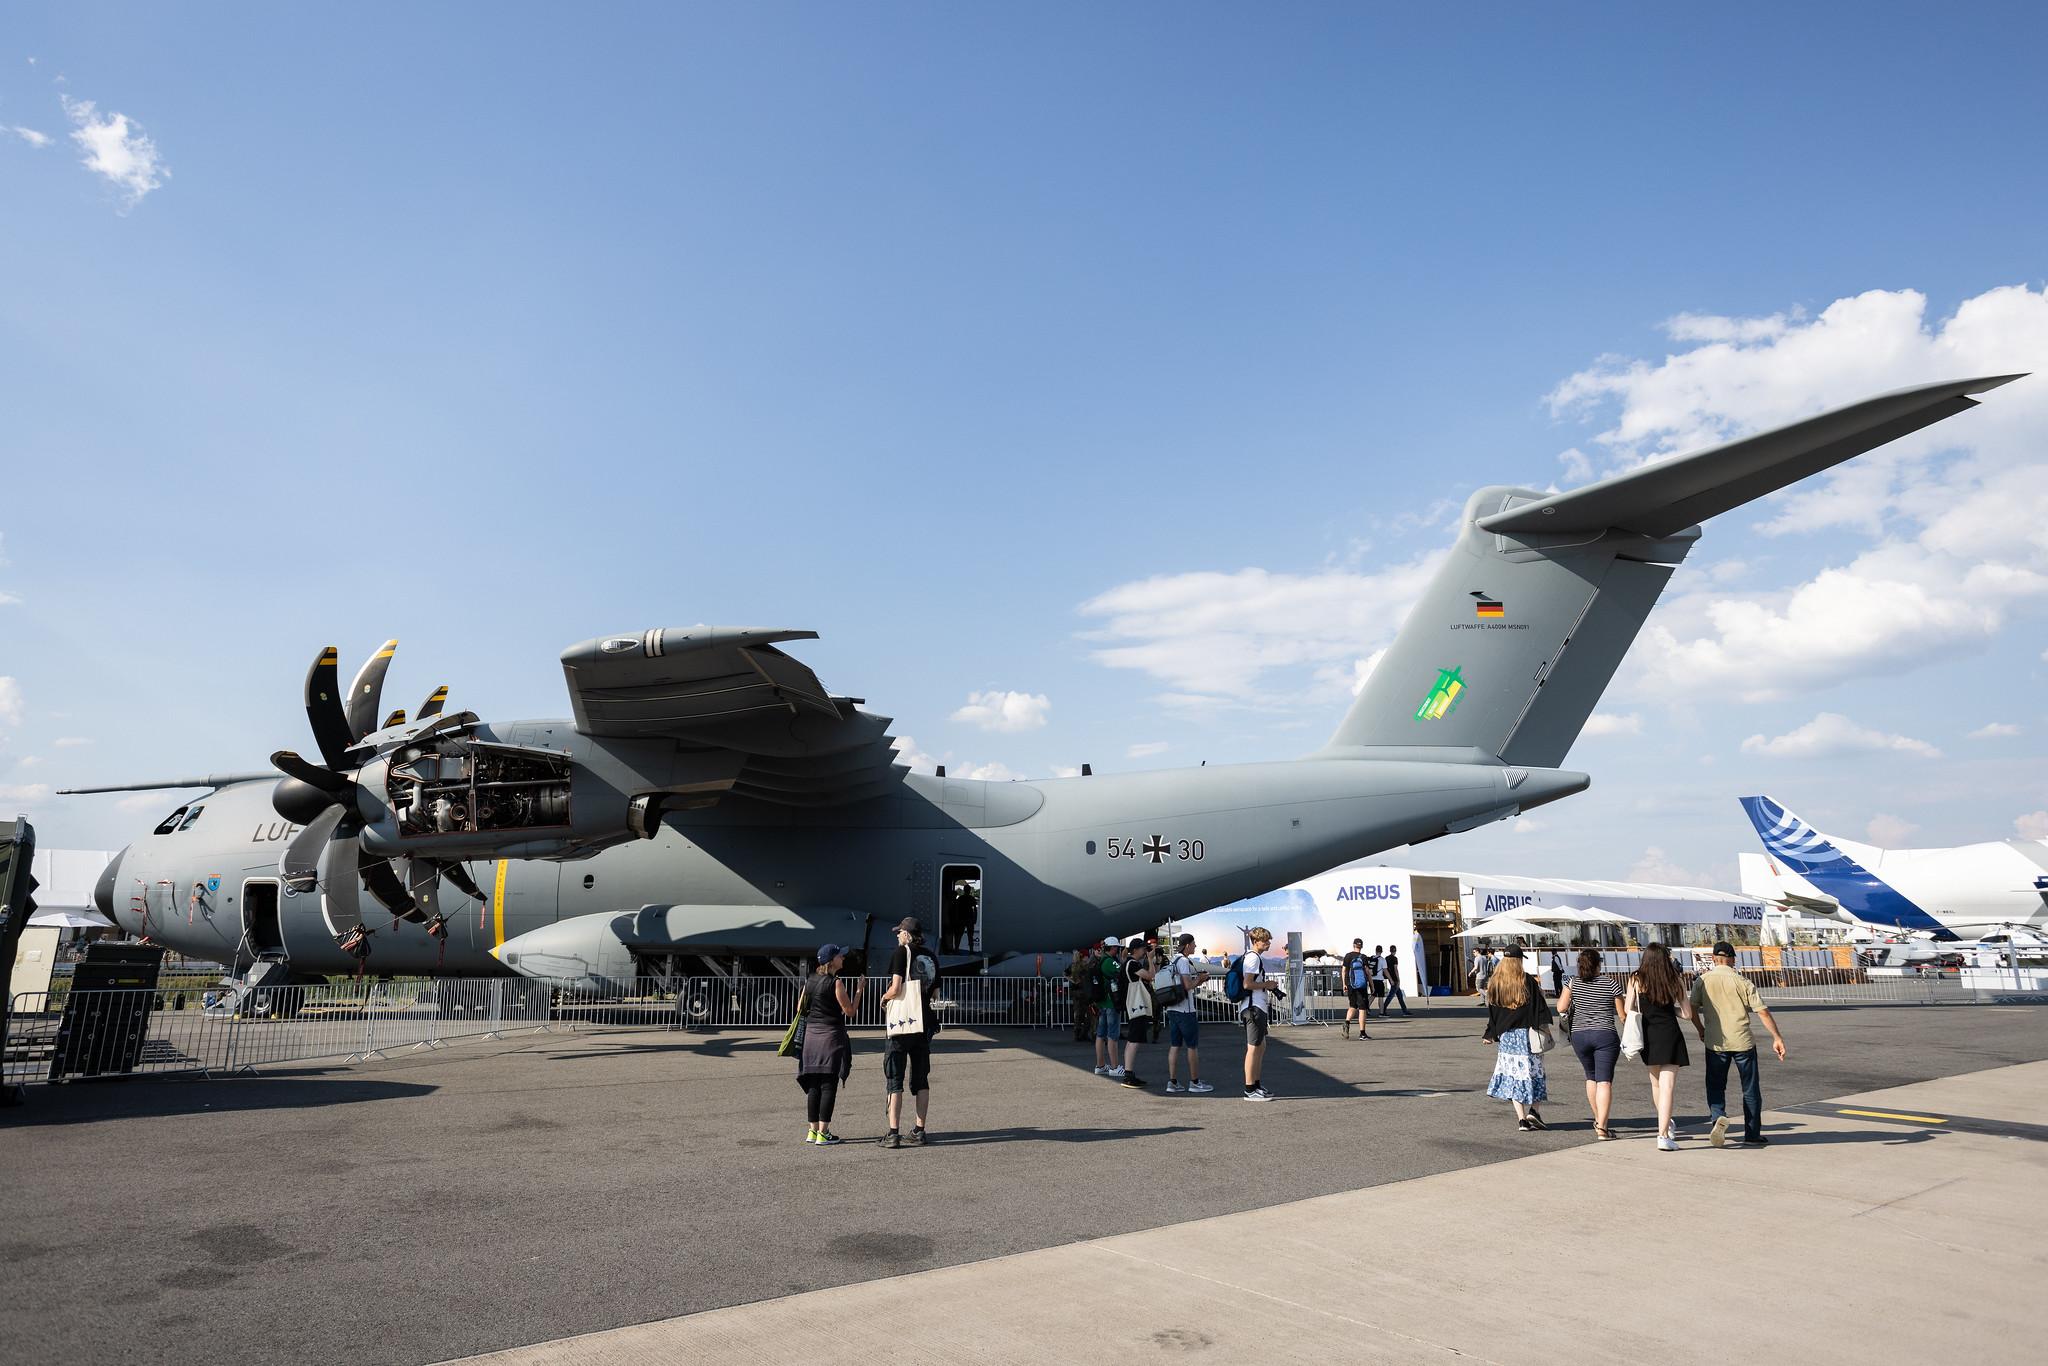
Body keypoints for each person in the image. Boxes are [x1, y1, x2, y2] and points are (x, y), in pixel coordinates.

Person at [1689, 940, 1788, 1148]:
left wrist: (1701, 1030)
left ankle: (1718, 1117)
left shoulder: (1702, 981)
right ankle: (1752, 1133)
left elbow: (1692, 1010)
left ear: (1714, 959)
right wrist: (1777, 1037)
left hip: (1715, 1042)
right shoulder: (1743, 982)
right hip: (1742, 1040)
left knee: (1715, 1085)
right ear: (1733, 959)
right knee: (1750, 1088)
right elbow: (1762, 1012)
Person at [1628, 942, 1697, 1151]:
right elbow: (1687, 1014)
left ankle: (1665, 1124)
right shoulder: (1674, 979)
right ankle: (1663, 1134)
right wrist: (1670, 1011)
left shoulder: (1636, 978)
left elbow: (1628, 1007)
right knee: (1668, 1087)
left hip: (1648, 1036)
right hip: (1670, 1034)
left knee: (1656, 1085)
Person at [880, 917, 939, 1148]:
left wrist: (884, 998)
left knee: (895, 1079)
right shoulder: (931, 957)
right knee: (921, 1079)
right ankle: (919, 1130)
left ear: (906, 934)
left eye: (899, 932)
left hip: (902, 1025)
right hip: (923, 1025)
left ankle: (893, 1133)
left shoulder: (901, 953)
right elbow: (935, 994)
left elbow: (896, 988)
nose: (896, 935)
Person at [1481, 945, 1552, 1130]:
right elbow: (1539, 1008)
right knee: (1535, 1073)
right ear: (1519, 960)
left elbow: (1493, 1012)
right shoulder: (1526, 980)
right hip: (1527, 1035)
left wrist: (1490, 1033)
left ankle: (1522, 1119)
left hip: (1507, 1038)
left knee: (1513, 1077)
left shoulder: (1495, 982)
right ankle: (1534, 1111)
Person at [798, 944, 862, 1145]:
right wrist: (859, 991)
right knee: (828, 1084)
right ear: (831, 960)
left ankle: (812, 1131)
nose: (843, 957)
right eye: (839, 955)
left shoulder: (810, 980)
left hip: (811, 1037)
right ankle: (824, 1132)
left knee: (814, 1084)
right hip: (830, 1037)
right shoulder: (836, 983)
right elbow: (850, 1011)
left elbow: (800, 1007)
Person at [1557, 947, 1623, 1140]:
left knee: (1591, 1077)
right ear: (1598, 964)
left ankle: (1598, 1119)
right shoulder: (1611, 983)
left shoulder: (1572, 983)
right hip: (1605, 1035)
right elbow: (1622, 1015)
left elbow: (1561, 1007)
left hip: (1579, 1035)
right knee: (1604, 1081)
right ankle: (1602, 1126)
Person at [1162, 933, 1212, 1093]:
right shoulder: (1183, 961)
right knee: (1192, 1046)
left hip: (1172, 1008)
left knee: (1175, 1045)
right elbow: (1187, 985)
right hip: (1185, 1010)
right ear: (1188, 945)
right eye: (1194, 944)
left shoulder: (1173, 959)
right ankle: (1195, 1082)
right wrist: (1201, 979)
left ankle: (1173, 1082)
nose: (1195, 946)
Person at [1238, 927, 1280, 1101]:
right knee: (1254, 1048)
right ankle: (1249, 1089)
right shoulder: (1253, 958)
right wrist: (1267, 985)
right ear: (1256, 941)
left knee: (1260, 1047)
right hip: (1253, 1008)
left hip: (1256, 1007)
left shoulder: (1253, 958)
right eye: (1265, 940)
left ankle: (1255, 1085)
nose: (1268, 943)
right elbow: (1247, 984)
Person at [1118, 936, 1156, 1089]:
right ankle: (1128, 1074)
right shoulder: (1132, 964)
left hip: (1132, 1004)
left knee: (1132, 1039)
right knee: (1134, 1039)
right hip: (1136, 1005)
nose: (1144, 950)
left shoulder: (1127, 963)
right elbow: (1151, 976)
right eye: (1142, 948)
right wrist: (1150, 959)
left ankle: (1129, 1073)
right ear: (1135, 950)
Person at [1092, 940, 1124, 1077]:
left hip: (1102, 1002)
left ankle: (1100, 1065)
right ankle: (1115, 1067)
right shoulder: (1110, 962)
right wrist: (1123, 960)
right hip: (1111, 1002)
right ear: (1114, 948)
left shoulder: (1100, 961)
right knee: (1113, 1035)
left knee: (1100, 1034)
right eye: (1117, 948)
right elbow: (1122, 972)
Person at [1340, 938, 1373, 1040]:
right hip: (1361, 986)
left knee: (1353, 1005)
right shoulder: (1363, 957)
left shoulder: (1348, 956)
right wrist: (1372, 986)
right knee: (1362, 1008)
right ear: (1361, 946)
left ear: (1353, 945)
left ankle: (1346, 1022)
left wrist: (1344, 984)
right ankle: (1362, 1034)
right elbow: (1367, 973)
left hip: (1350, 985)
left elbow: (1344, 971)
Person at [1066, 946, 1098, 1043]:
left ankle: (1080, 1034)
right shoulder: (1082, 966)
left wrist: (1074, 981)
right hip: (1082, 993)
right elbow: (1067, 974)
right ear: (1084, 957)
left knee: (1081, 1015)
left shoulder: (1076, 965)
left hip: (1080, 993)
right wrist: (1076, 981)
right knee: (1086, 1015)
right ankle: (1083, 1034)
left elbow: (1066, 974)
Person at [1378, 948, 1410, 1017]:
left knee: (1399, 995)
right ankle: (1383, 1009)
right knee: (1391, 995)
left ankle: (1405, 1010)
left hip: (1390, 977)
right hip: (1395, 979)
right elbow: (1395, 969)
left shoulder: (1386, 958)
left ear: (1390, 950)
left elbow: (1385, 968)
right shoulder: (1395, 958)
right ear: (1395, 951)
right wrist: (1398, 979)